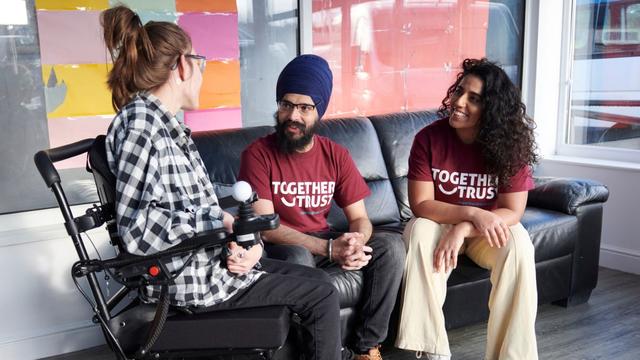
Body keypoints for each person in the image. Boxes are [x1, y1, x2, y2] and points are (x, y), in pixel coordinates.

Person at [101, 6, 341, 359]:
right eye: (199, 62)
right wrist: (222, 222)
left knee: (320, 281)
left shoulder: (165, 128)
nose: (201, 73)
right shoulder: (142, 127)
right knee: (322, 295)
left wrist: (246, 243)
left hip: (207, 264)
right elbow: (138, 229)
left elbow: (194, 209)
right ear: (182, 65)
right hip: (189, 281)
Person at [238, 54, 405, 360]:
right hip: (285, 250)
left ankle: (366, 347)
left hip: (326, 243)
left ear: (319, 112)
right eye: (286, 104)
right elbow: (266, 226)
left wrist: (356, 242)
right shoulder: (257, 155)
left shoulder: (335, 154)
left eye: (305, 107)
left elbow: (360, 219)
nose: (294, 116)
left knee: (391, 247)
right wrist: (327, 249)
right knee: (300, 256)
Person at [395, 58, 539, 360]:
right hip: (439, 223)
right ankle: (430, 350)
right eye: (459, 91)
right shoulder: (429, 138)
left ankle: (512, 355)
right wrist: (470, 213)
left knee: (519, 242)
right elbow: (421, 204)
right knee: (419, 230)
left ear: (493, 109)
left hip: (480, 231)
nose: (458, 102)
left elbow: (513, 211)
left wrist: (465, 228)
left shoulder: (511, 145)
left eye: (473, 99)